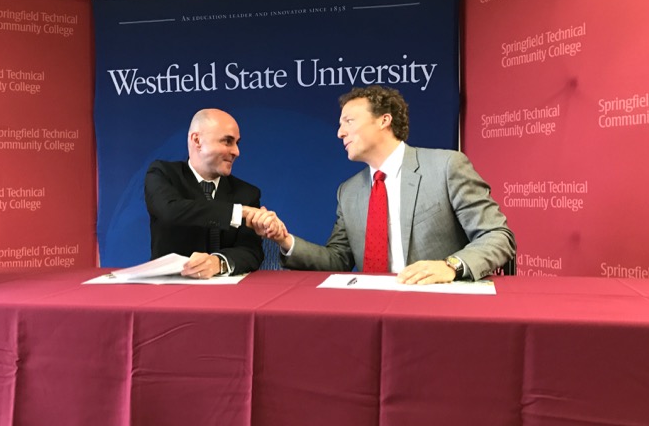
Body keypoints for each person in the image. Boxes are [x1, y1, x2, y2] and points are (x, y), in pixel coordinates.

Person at [255, 86, 516, 284]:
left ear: (384, 120)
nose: (340, 132)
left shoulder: (446, 166)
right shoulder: (348, 191)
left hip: (438, 305)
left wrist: (450, 266)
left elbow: (497, 236)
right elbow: (339, 260)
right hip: (371, 310)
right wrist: (285, 240)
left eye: (349, 121)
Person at [144, 108, 282, 279]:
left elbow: (251, 251)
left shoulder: (247, 193)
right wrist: (239, 212)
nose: (236, 152)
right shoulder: (162, 174)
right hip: (168, 291)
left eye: (237, 143)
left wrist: (219, 262)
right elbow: (170, 210)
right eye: (227, 141)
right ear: (197, 140)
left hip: (228, 297)